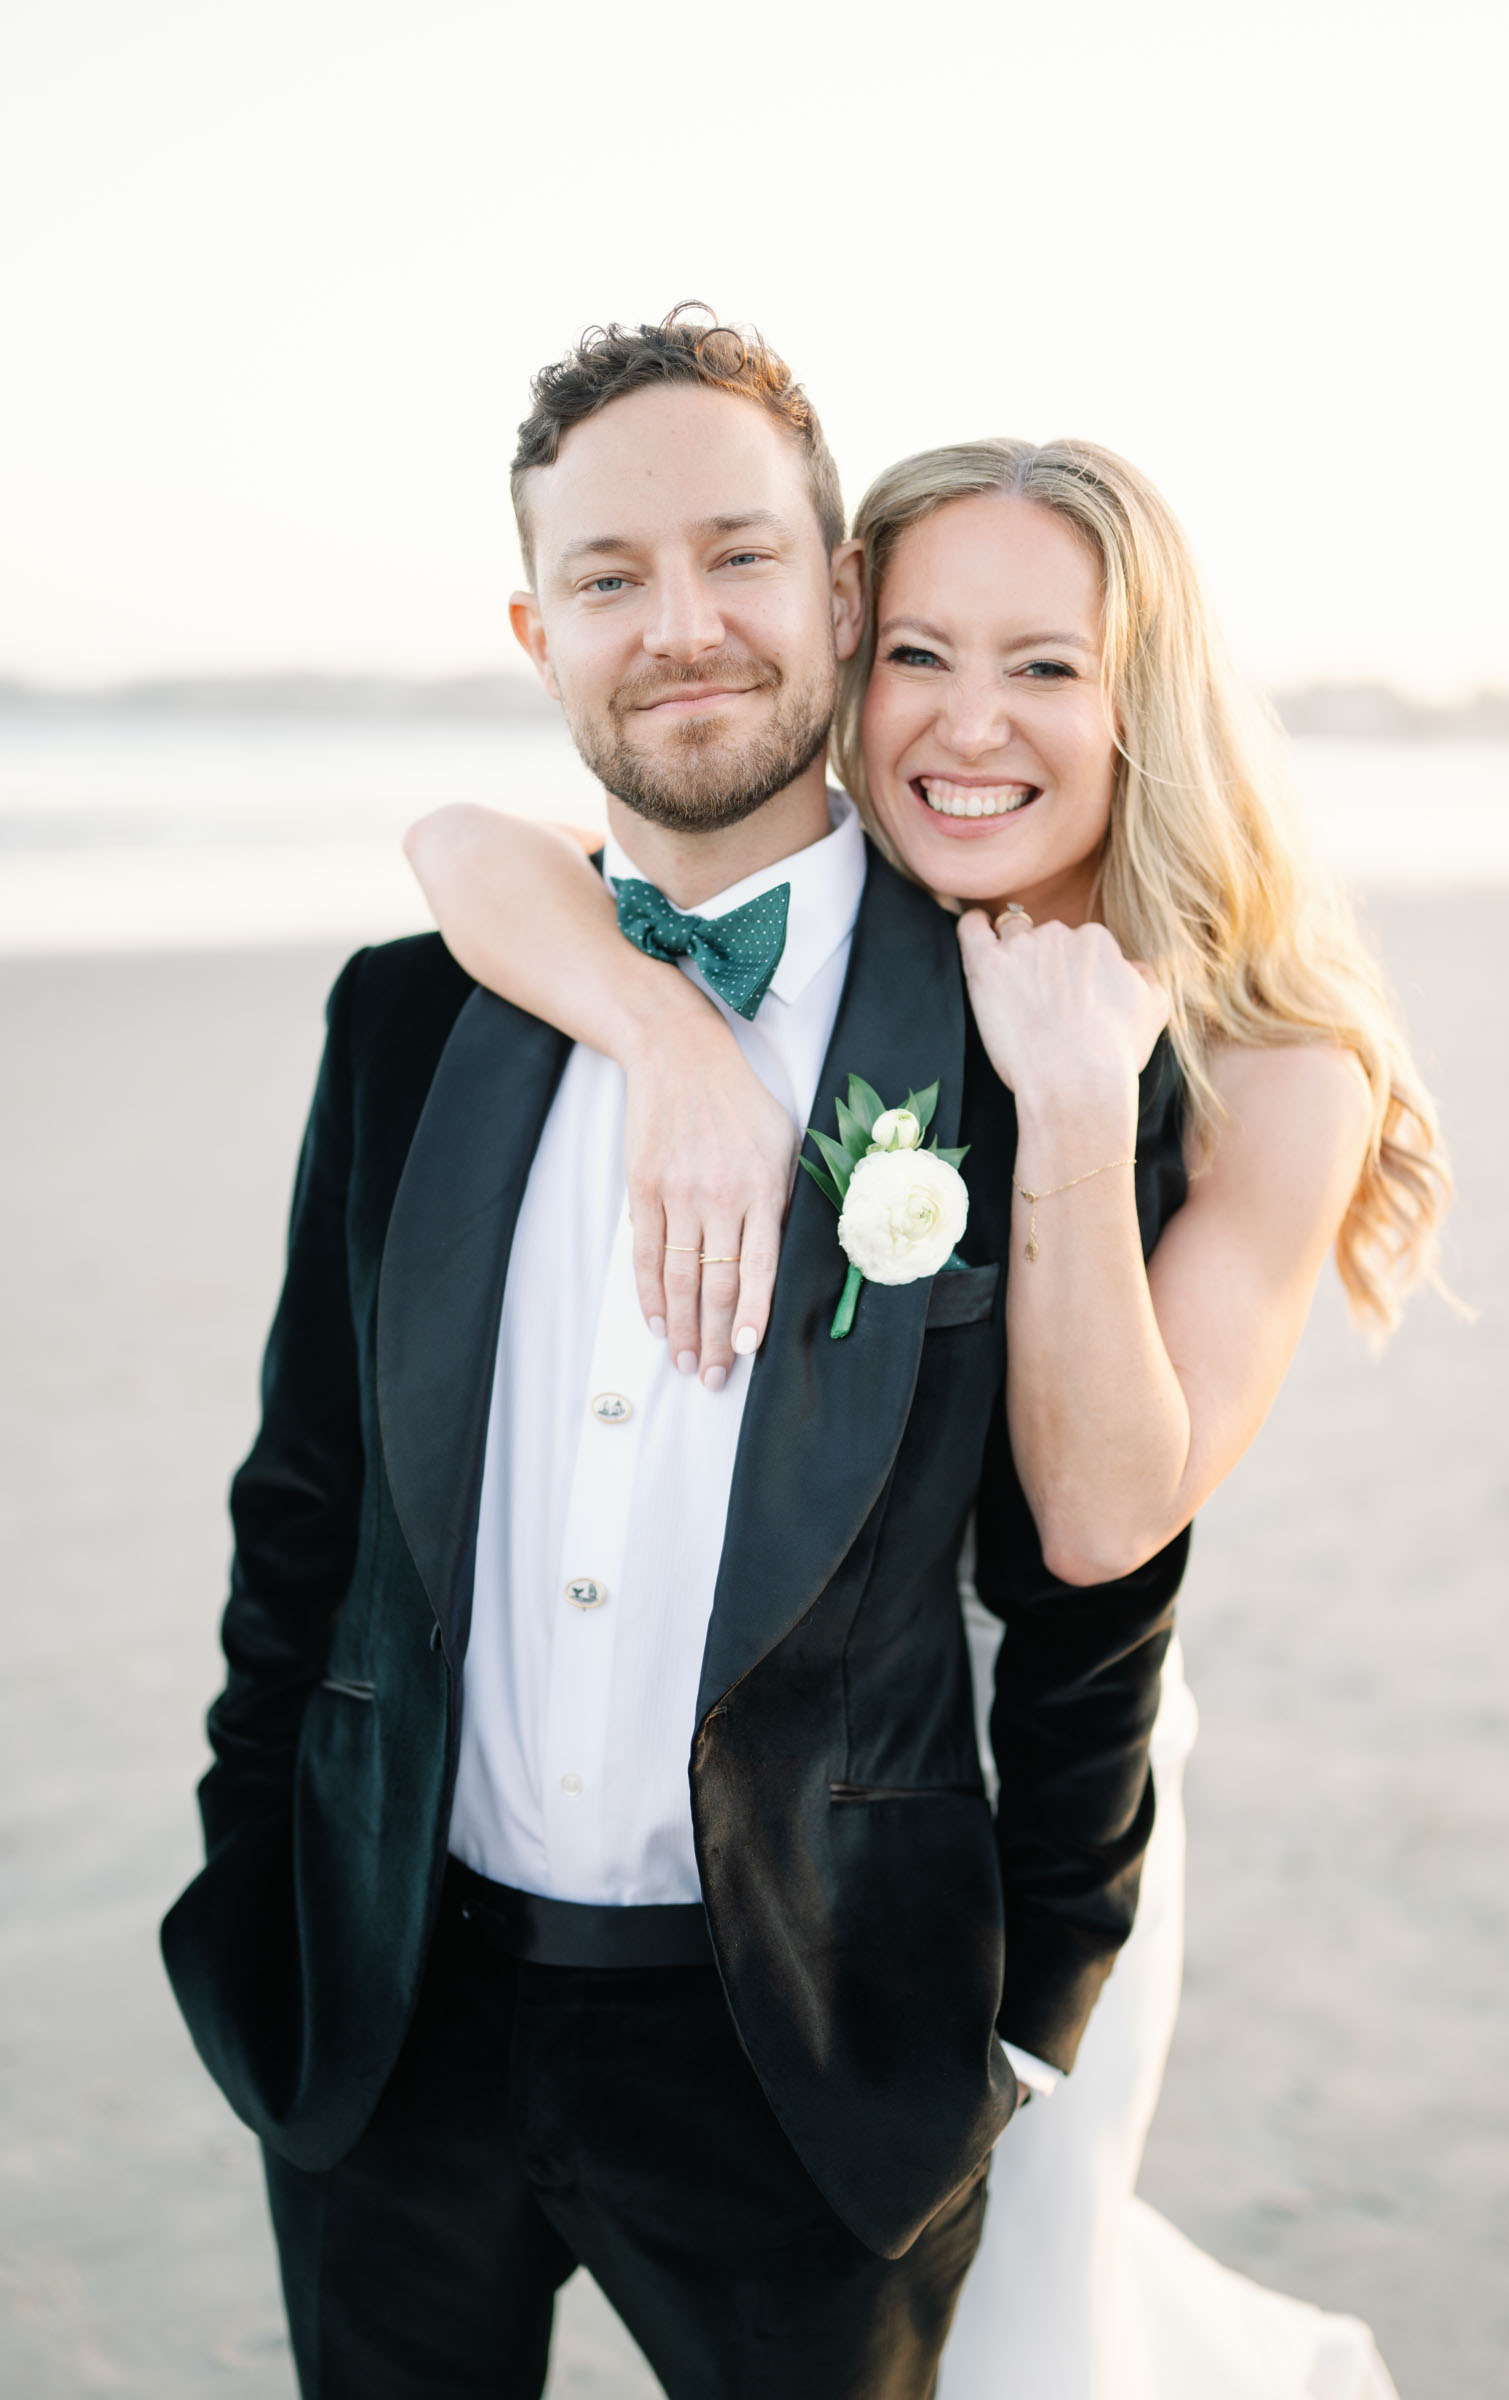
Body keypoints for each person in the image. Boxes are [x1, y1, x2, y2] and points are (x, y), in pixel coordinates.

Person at [161, 311, 1193, 2400]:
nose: (680, 626)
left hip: (805, 2061)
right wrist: (259, 1903)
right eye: (611, 578)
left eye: (735, 556)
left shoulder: (1024, 1056)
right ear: (536, 627)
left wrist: (1022, 2021)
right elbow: (306, 1507)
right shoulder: (411, 1019)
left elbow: (1088, 1599)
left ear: (834, 595)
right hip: (388, 2031)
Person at [406, 376, 1450, 2396]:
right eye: (918, 659)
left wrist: (1068, 1105)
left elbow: (1099, 1514)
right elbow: (470, 843)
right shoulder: (821, 946)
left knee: (1016, 2344)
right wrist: (666, 1037)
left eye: (1043, 666)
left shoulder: (1268, 1067)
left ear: (1138, 700)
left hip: (1010, 1812)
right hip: (720, 1816)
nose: (969, 726)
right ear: (851, 644)